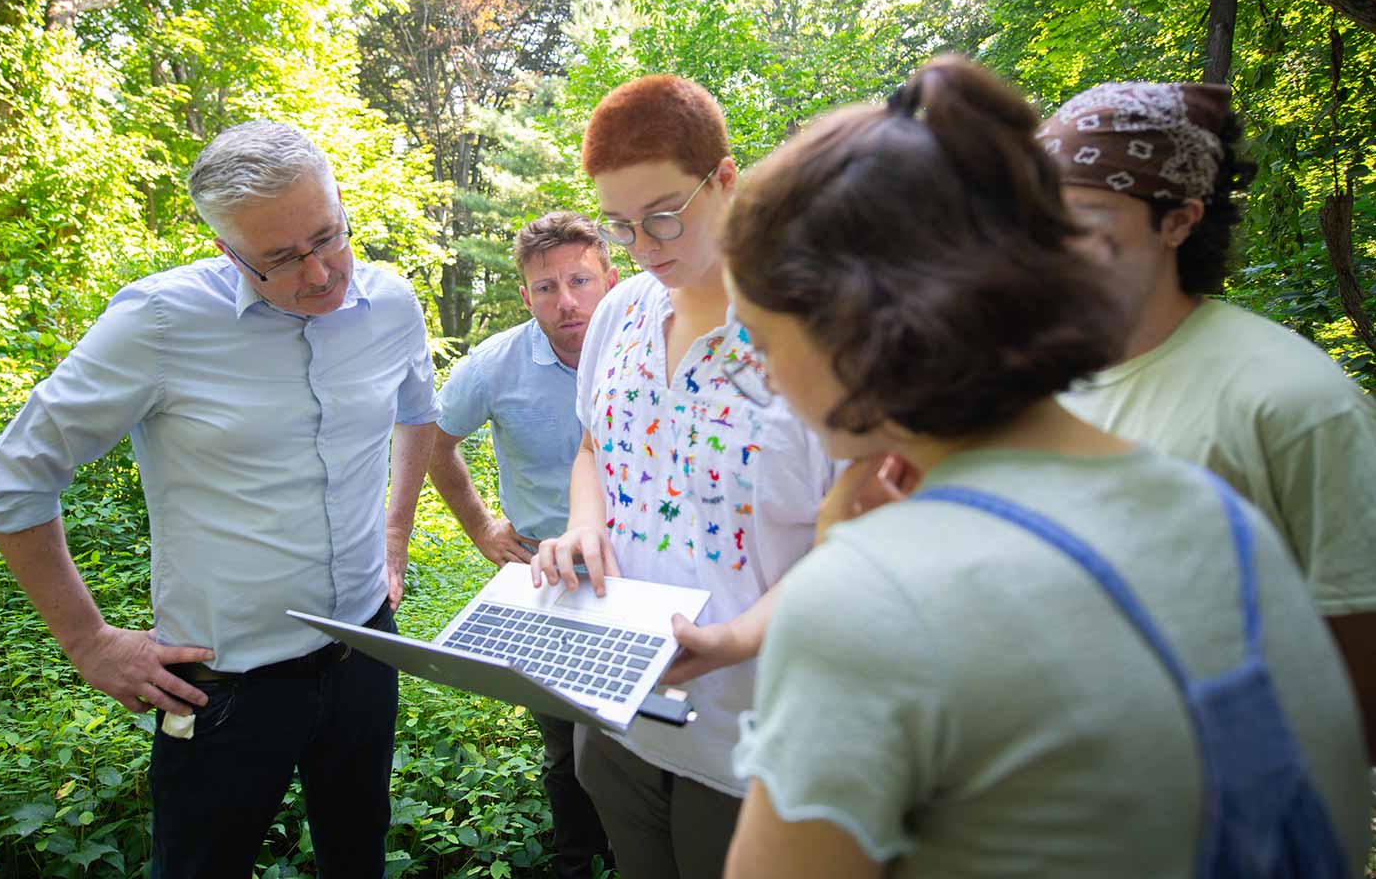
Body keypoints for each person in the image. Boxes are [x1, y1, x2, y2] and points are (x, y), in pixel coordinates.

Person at [719, 57, 1370, 877]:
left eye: (760, 338)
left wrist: (849, 563)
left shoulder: (860, 602)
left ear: (853, 327)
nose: (762, 372)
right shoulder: (1215, 511)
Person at [0, 120, 440, 878]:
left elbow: (419, 409)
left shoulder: (390, 306)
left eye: (329, 236)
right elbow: (10, 480)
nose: (319, 274)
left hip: (364, 651)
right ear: (226, 252)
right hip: (222, 689)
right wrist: (89, 642)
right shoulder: (159, 324)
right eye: (280, 259)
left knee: (359, 857)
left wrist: (395, 533)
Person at [531, 74, 835, 879]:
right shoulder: (622, 313)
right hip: (616, 709)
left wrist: (734, 638)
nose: (645, 244)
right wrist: (584, 524)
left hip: (754, 733)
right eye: (622, 225)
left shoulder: (813, 334)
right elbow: (596, 448)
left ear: (726, 178)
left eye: (665, 215)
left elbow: (865, 544)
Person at [1038, 82, 1376, 759]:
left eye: (1084, 216)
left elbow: (1361, 677)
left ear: (1179, 220)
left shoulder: (1294, 401)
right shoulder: (1039, 384)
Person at [427, 211, 617, 878]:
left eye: (579, 280)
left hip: (646, 567)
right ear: (525, 295)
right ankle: (575, 858)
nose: (566, 301)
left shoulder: (648, 340)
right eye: (546, 288)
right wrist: (481, 526)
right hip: (551, 568)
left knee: (645, 734)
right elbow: (432, 441)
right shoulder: (496, 364)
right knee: (565, 743)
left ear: (609, 277)